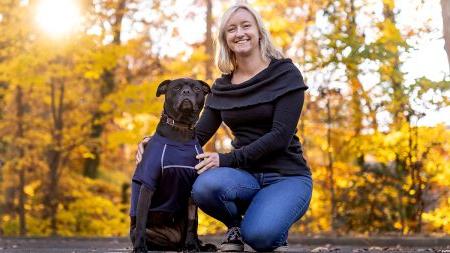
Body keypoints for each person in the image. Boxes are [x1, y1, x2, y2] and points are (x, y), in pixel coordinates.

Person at [137, 3, 312, 252]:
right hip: (243, 177)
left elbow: (280, 136)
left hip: (286, 176)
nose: (239, 33)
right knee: (204, 186)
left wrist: (226, 159)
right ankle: (235, 225)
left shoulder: (285, 74)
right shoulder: (223, 87)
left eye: (245, 25)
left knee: (261, 237)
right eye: (231, 29)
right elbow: (195, 135)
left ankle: (267, 223)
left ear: (259, 31)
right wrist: (154, 144)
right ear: (225, 39)